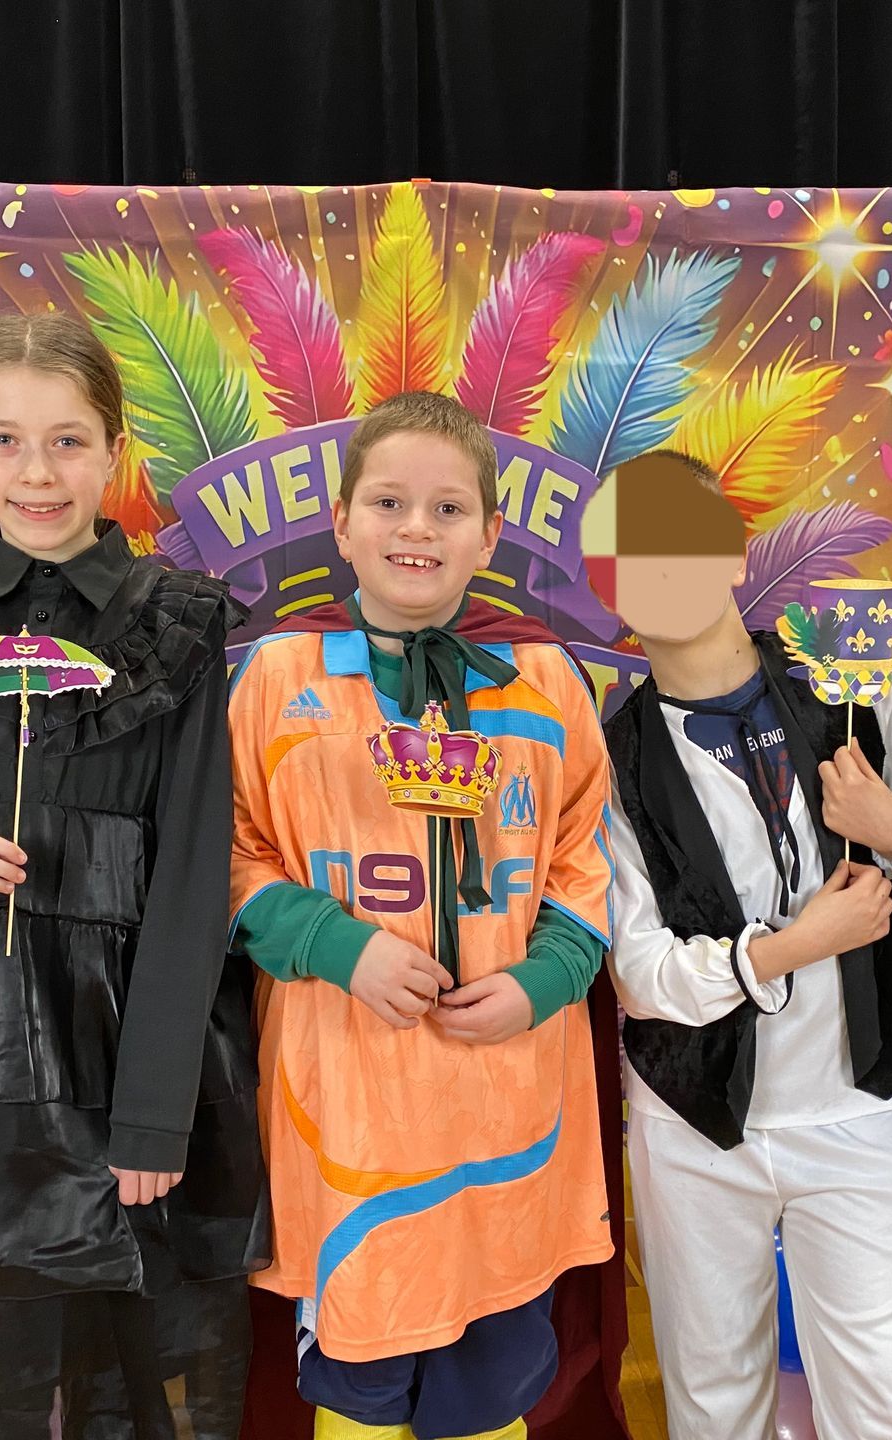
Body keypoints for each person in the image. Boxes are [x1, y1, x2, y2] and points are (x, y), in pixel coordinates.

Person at [0, 310, 266, 1439]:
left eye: (67, 440)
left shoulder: (176, 628)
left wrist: (155, 1114)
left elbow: (194, 874)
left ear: (115, 448)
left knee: (134, 1366)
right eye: (5, 440)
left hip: (129, 1046)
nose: (36, 473)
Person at [228, 391, 617, 1440]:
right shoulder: (276, 676)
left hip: (508, 1112)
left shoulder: (547, 681)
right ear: (342, 522)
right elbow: (225, 855)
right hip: (349, 1113)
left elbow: (587, 859)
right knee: (358, 1389)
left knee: (490, 1394)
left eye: (449, 509)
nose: (417, 529)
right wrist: (334, 945)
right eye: (389, 503)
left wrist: (545, 979)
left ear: (490, 536)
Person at [595, 451, 892, 1439]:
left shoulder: (846, 689)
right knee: (714, 1397)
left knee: (883, 1390)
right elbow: (641, 973)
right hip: (693, 1122)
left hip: (855, 1102)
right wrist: (795, 946)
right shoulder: (611, 755)